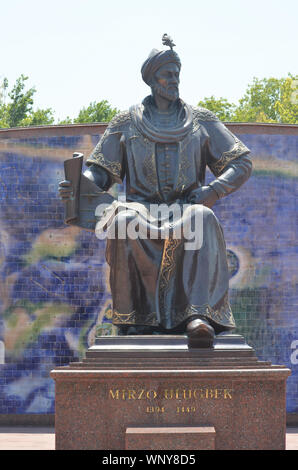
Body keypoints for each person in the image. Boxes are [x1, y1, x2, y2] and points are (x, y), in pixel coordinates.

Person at [59, 35, 252, 347]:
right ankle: (132, 321)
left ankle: (198, 317)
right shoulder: (126, 122)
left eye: (177, 73)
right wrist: (79, 185)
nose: (174, 79)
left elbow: (241, 161)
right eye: (167, 73)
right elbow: (101, 171)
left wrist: (213, 190)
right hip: (140, 209)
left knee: (203, 218)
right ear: (151, 78)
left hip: (188, 207)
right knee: (122, 221)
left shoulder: (201, 120)